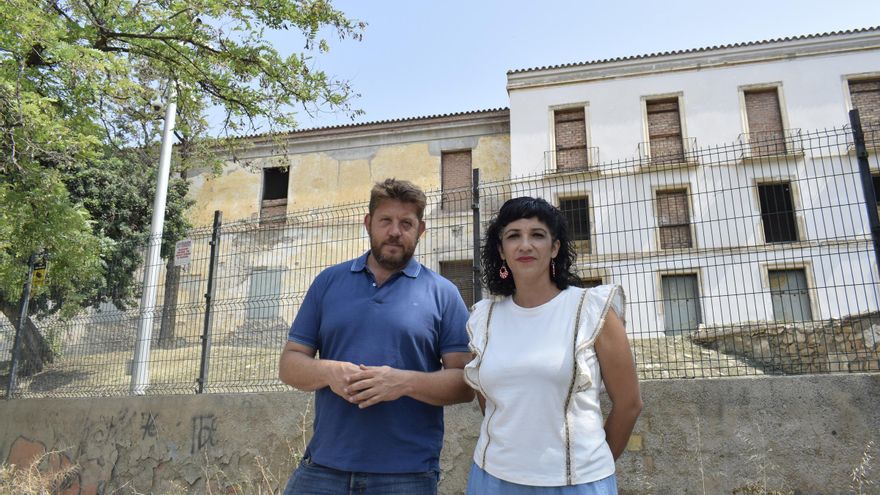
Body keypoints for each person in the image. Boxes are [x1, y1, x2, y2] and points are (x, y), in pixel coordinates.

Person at [278, 178, 474, 495]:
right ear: (368, 223)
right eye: (386, 221)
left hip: (407, 475)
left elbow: (466, 382)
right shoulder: (328, 282)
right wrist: (329, 372)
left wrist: (402, 382)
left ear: (421, 229)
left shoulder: (443, 293)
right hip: (322, 469)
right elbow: (289, 364)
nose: (395, 231)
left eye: (406, 223)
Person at [464, 196, 642, 495]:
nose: (525, 245)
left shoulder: (593, 310)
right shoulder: (483, 318)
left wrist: (591, 467)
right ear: (501, 250)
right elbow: (489, 403)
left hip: (577, 484)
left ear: (555, 247)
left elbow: (629, 404)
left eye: (537, 235)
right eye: (513, 236)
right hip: (491, 479)